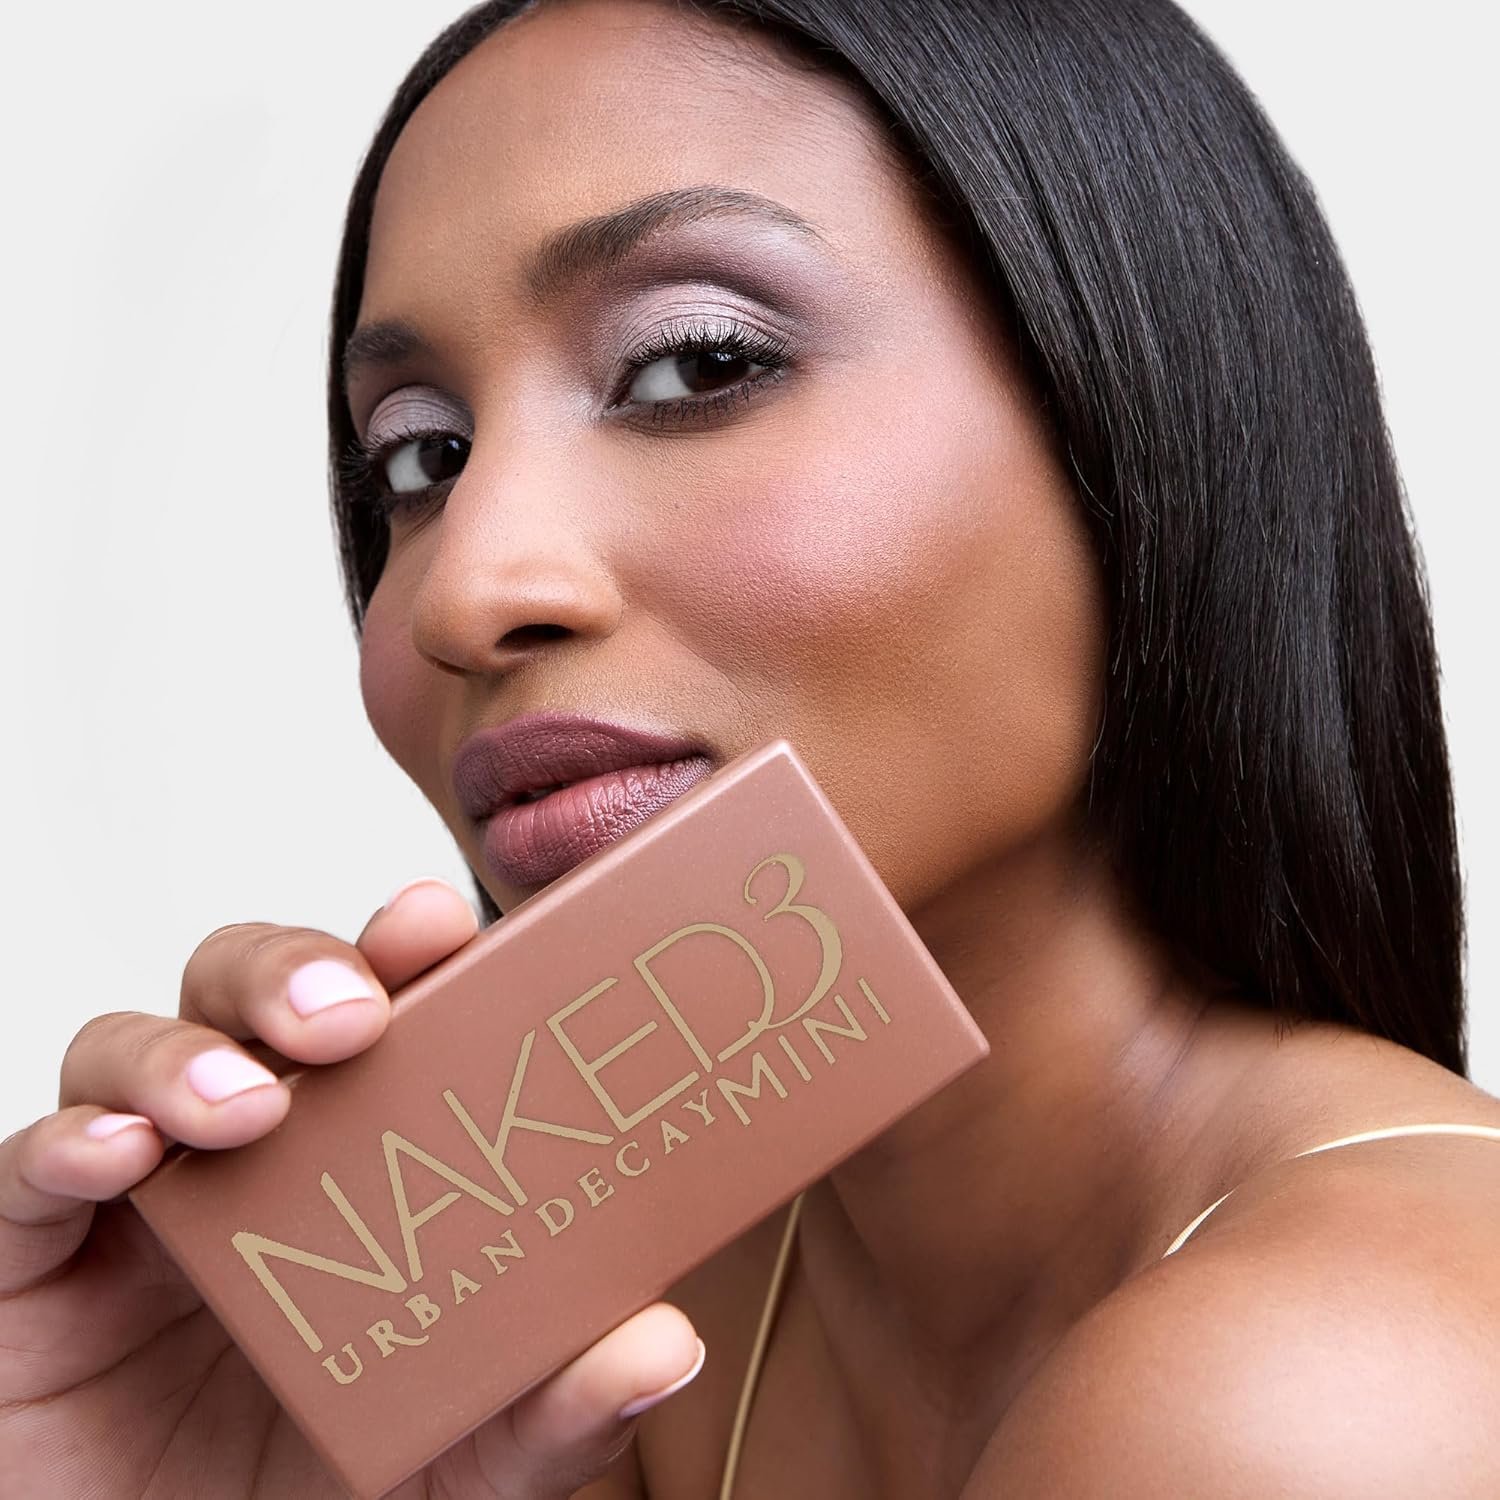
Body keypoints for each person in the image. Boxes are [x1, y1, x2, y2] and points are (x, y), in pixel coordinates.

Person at [3, 0, 1496, 1494]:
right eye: (422, 456)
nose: (462, 590)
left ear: (1148, 403)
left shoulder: (1322, 1398)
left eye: (695, 365)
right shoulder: (610, 1338)